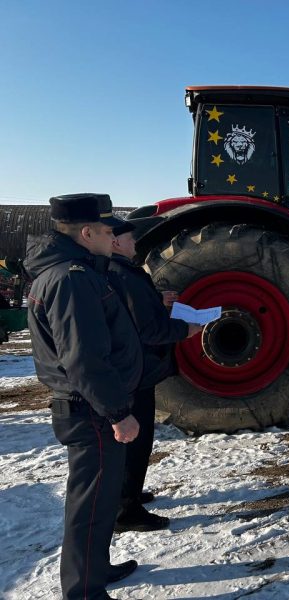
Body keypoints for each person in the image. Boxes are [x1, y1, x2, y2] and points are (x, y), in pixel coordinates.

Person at [25, 193, 143, 599]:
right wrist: (117, 412)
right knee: (89, 506)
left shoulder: (73, 272)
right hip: (89, 408)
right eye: (109, 231)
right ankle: (83, 591)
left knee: (100, 499)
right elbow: (84, 359)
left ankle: (96, 568)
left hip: (89, 405)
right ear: (87, 231)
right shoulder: (72, 279)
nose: (113, 239)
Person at [108, 213, 203, 532]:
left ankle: (128, 494)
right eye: (130, 238)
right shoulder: (123, 274)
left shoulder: (118, 272)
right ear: (116, 242)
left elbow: (132, 310)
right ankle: (125, 511)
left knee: (134, 441)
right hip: (136, 371)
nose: (135, 242)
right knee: (135, 440)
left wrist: (156, 299)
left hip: (131, 370)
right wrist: (184, 329)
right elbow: (147, 329)